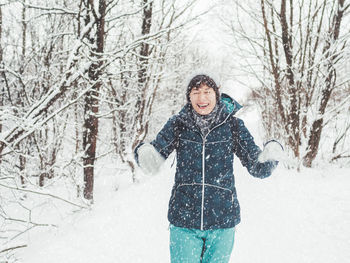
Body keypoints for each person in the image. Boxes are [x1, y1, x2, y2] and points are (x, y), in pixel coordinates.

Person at [134, 74, 283, 263]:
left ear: (216, 95)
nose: (201, 98)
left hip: (222, 222)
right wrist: (144, 152)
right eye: (196, 92)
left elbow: (257, 166)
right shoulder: (178, 124)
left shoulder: (233, 126)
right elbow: (156, 155)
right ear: (189, 97)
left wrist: (271, 155)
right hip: (184, 221)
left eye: (207, 92)